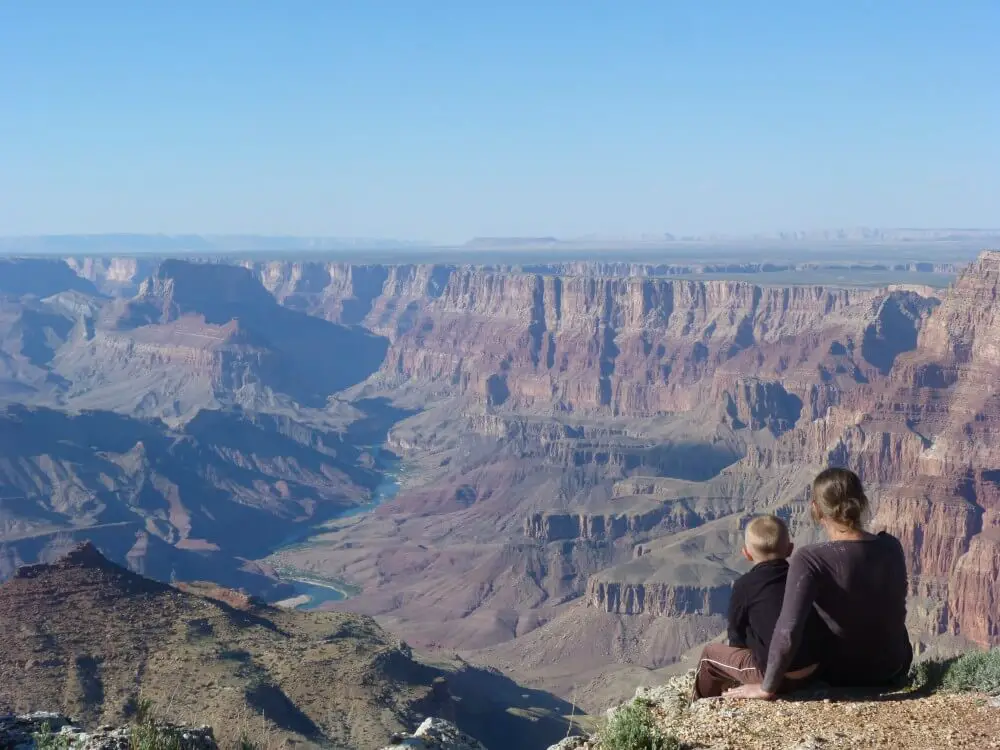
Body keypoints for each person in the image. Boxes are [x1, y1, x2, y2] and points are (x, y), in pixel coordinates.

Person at [725, 467, 913, 701]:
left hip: (842, 675)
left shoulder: (810, 558)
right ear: (861, 501)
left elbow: (788, 630)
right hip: (894, 667)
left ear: (815, 508)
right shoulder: (891, 546)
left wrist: (767, 686)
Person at [692, 514, 825, 699]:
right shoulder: (803, 577)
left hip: (775, 677)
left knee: (709, 654)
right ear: (790, 549)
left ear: (746, 553)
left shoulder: (745, 585)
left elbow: (736, 635)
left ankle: (700, 708)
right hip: (813, 670)